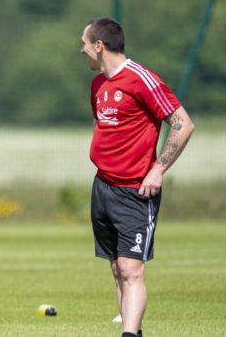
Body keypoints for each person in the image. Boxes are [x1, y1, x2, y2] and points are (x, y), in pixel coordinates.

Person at [79, 17, 194, 337]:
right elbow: (101, 125)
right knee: (117, 268)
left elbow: (182, 123)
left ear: (99, 46)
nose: (82, 51)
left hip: (135, 191)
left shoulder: (142, 79)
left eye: (84, 45)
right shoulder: (98, 84)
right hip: (102, 186)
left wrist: (158, 169)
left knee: (131, 269)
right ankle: (134, 332)